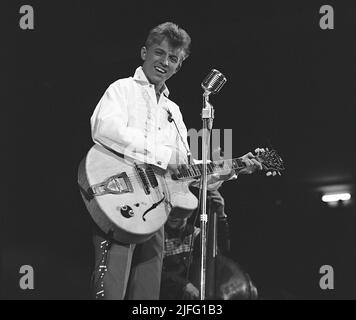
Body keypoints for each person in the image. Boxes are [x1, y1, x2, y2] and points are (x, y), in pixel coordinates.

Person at [89, 22, 263, 300]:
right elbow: (104, 129)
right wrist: (161, 155)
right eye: (159, 53)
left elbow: (185, 168)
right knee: (110, 290)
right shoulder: (122, 89)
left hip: (156, 213)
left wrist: (236, 166)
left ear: (179, 66)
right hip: (120, 200)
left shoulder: (173, 111)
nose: (164, 62)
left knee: (147, 293)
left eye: (173, 58)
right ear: (144, 52)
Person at [160, 189, 258, 300]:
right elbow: (158, 273)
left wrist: (220, 215)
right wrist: (183, 284)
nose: (173, 215)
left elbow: (220, 253)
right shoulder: (158, 237)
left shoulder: (195, 234)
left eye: (179, 211)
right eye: (171, 210)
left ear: (189, 212)